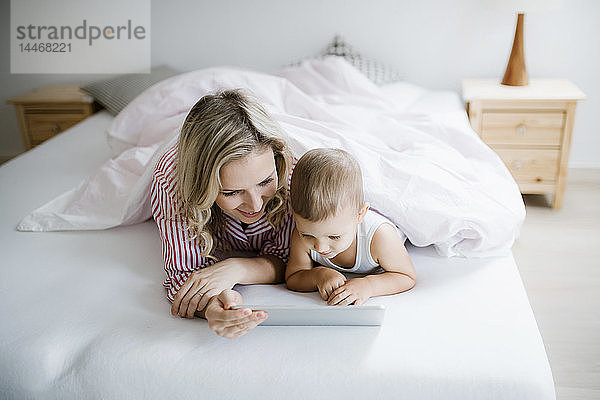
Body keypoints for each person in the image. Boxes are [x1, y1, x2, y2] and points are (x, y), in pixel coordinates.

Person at [151, 89, 295, 339]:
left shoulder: (292, 174)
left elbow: (294, 259)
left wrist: (237, 269)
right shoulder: (171, 183)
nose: (255, 206)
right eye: (231, 192)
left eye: (265, 181)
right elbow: (183, 278)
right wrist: (212, 305)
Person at [285, 148, 416, 305]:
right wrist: (318, 275)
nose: (320, 247)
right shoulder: (301, 235)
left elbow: (405, 276)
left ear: (360, 215)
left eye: (334, 236)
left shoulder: (380, 236)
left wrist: (369, 286)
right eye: (308, 235)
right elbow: (294, 277)